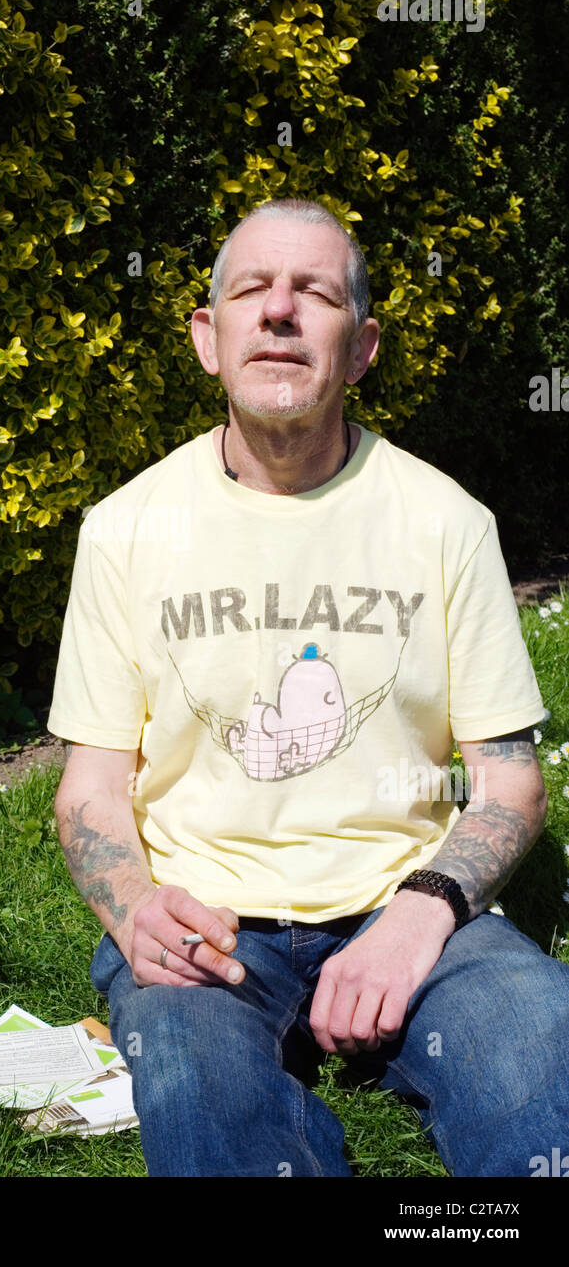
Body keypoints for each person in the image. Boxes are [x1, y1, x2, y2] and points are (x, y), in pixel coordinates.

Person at [47, 198, 569, 1176]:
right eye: (250, 290)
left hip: (411, 909)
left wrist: (419, 915)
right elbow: (88, 789)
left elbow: (509, 784)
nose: (279, 312)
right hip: (203, 928)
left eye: (314, 294)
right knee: (204, 1110)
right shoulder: (125, 529)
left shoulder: (445, 522)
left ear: (362, 346)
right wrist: (132, 907)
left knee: (541, 1051)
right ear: (208, 338)